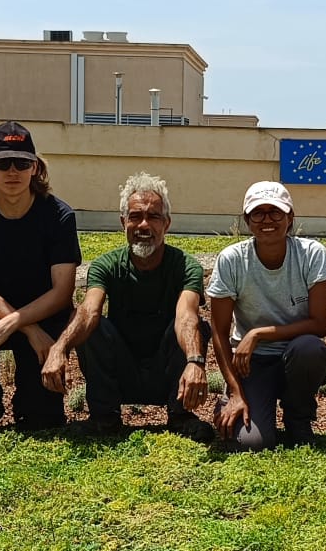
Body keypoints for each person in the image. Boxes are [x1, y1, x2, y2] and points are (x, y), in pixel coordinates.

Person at [42, 172, 214, 440]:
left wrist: (195, 361)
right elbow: (89, 310)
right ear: (123, 222)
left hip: (167, 371)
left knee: (197, 328)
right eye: (135, 217)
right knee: (92, 325)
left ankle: (181, 416)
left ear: (166, 224)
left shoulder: (185, 266)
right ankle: (104, 418)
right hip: (121, 372)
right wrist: (59, 348)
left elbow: (186, 316)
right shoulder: (106, 265)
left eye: (153, 216)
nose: (144, 225)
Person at [0, 121, 82, 436]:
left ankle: (35, 405)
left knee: (41, 420)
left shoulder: (59, 216)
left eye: (22, 163)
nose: (12, 171)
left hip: (45, 312)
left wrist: (20, 324)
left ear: (35, 168)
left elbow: (63, 293)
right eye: (2, 162)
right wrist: (23, 326)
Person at [206, 181, 326, 449]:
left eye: (276, 212)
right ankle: (232, 399)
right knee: (253, 442)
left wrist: (258, 333)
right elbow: (219, 331)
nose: (267, 220)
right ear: (247, 220)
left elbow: (319, 324)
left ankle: (298, 418)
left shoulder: (311, 254)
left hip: (299, 356)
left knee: (309, 349)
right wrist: (235, 392)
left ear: (290, 218)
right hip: (253, 363)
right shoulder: (231, 259)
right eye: (258, 213)